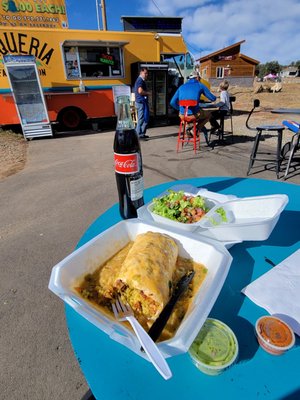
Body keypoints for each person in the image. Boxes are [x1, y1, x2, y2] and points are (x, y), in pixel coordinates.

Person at [170, 70, 217, 143]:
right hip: (194, 116)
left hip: (182, 116)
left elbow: (172, 102)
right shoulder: (200, 85)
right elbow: (212, 98)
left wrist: (180, 109)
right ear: (197, 78)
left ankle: (187, 127)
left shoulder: (181, 87)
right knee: (209, 115)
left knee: (187, 116)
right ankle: (195, 129)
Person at [134, 67, 150, 140]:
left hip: (141, 101)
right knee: (141, 118)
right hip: (141, 102)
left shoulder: (140, 80)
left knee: (143, 118)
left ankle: (142, 134)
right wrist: (148, 93)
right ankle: (138, 134)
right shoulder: (140, 80)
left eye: (147, 73)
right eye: (145, 73)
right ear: (141, 73)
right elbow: (140, 91)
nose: (146, 75)